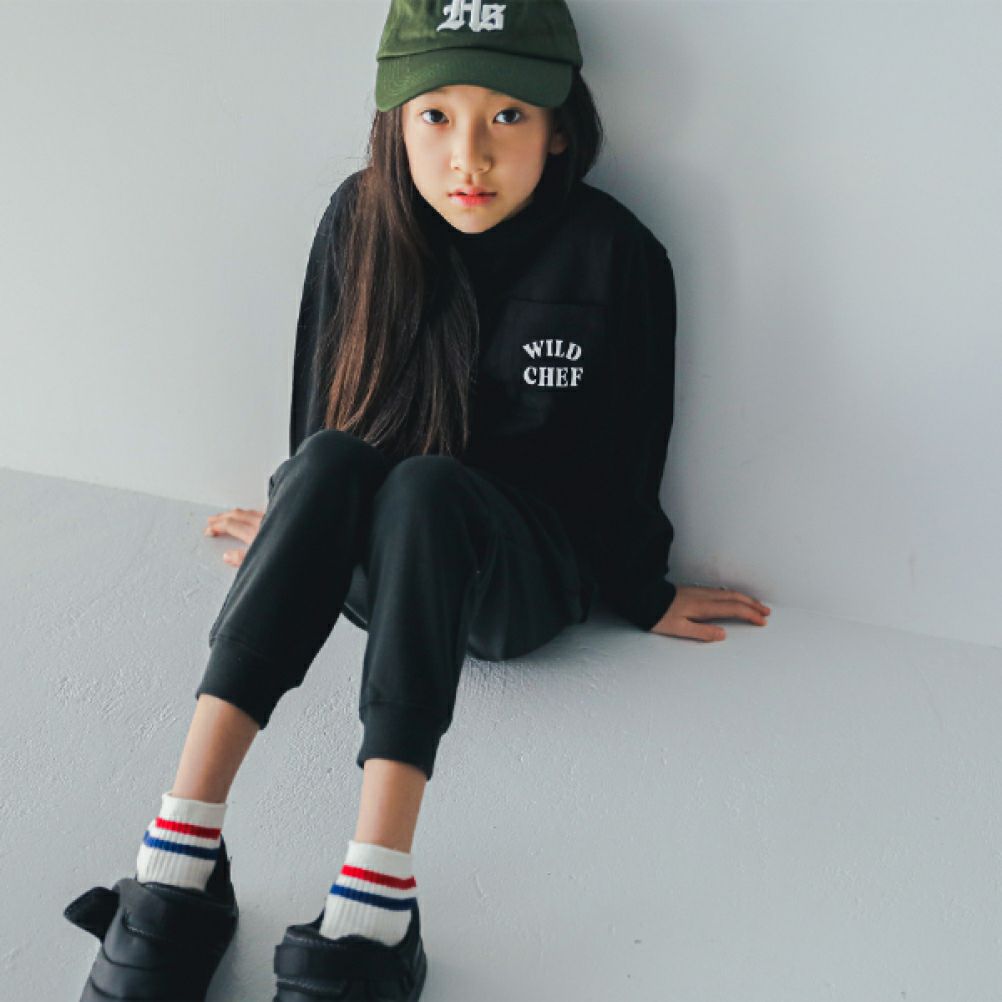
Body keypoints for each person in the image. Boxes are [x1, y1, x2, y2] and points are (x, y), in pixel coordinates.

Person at [63, 1, 771, 999]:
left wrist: (644, 590)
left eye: (507, 116)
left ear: (560, 125)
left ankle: (371, 904)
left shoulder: (615, 254)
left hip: (513, 586)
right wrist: (291, 532)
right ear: (394, 122)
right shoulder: (360, 222)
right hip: (380, 579)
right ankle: (173, 868)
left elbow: (628, 457)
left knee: (430, 487)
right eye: (435, 116)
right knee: (331, 463)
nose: (466, 156)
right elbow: (322, 422)